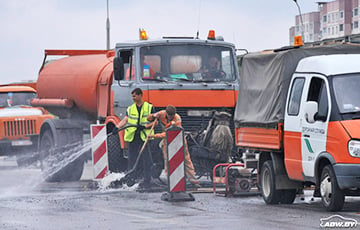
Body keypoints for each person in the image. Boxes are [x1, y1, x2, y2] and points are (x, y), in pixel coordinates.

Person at [113, 88, 156, 188]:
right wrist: (117, 127)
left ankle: (147, 180)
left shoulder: (149, 107)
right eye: (132, 96)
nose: (133, 98)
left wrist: (145, 127)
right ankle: (131, 179)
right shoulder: (130, 108)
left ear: (140, 95)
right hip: (133, 136)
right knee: (132, 158)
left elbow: (155, 122)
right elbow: (125, 120)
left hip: (144, 137)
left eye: (135, 96)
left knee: (146, 159)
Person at [147, 105, 200, 187]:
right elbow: (148, 119)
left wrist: (154, 136)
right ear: (166, 113)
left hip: (178, 139)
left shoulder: (177, 119)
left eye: (172, 115)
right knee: (167, 160)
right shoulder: (161, 114)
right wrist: (153, 116)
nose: (171, 117)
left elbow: (168, 133)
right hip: (167, 141)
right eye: (170, 115)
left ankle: (193, 180)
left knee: (186, 159)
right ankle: (170, 180)